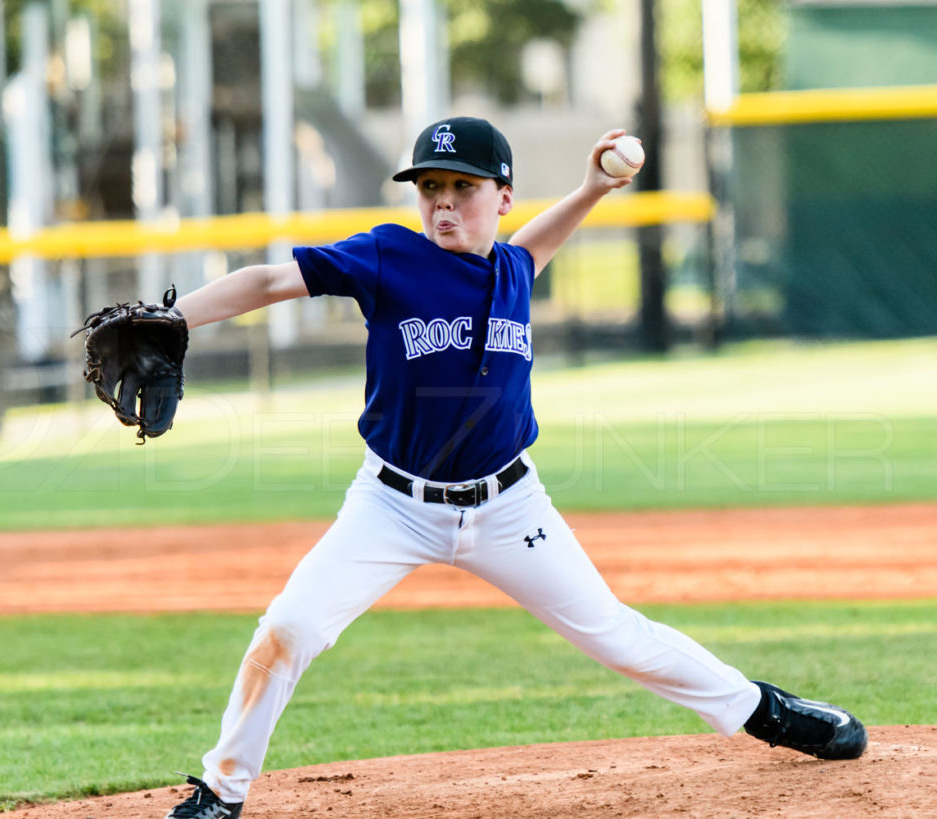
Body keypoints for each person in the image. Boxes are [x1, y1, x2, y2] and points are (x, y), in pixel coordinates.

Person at [163, 117, 867, 819]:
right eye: (429, 186)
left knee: (617, 634)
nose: (442, 202)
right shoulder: (388, 257)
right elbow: (267, 279)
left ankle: (764, 709)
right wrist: (171, 321)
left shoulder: (511, 271)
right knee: (289, 626)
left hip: (509, 507)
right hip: (391, 505)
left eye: (461, 187)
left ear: (502, 195)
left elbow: (536, 244)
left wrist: (592, 188)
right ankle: (221, 790)